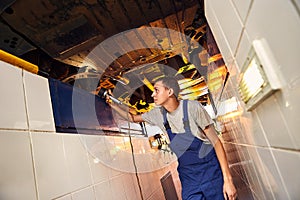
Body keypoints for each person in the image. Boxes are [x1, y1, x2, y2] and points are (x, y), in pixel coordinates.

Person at [107, 76, 237, 200]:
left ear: (169, 91)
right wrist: (110, 101)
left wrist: (228, 180)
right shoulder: (158, 114)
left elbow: (216, 142)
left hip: (210, 172)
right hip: (189, 177)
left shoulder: (192, 107)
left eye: (156, 90)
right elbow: (133, 118)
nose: (152, 95)